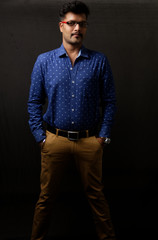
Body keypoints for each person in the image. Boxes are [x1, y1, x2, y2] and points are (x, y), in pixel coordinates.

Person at [28, 1, 116, 240]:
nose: (77, 28)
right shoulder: (44, 61)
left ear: (86, 28)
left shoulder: (99, 61)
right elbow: (34, 102)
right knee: (46, 198)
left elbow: (109, 101)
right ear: (61, 26)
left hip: (90, 142)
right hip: (54, 140)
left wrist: (103, 137)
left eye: (82, 23)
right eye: (72, 23)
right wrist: (40, 138)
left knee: (97, 197)